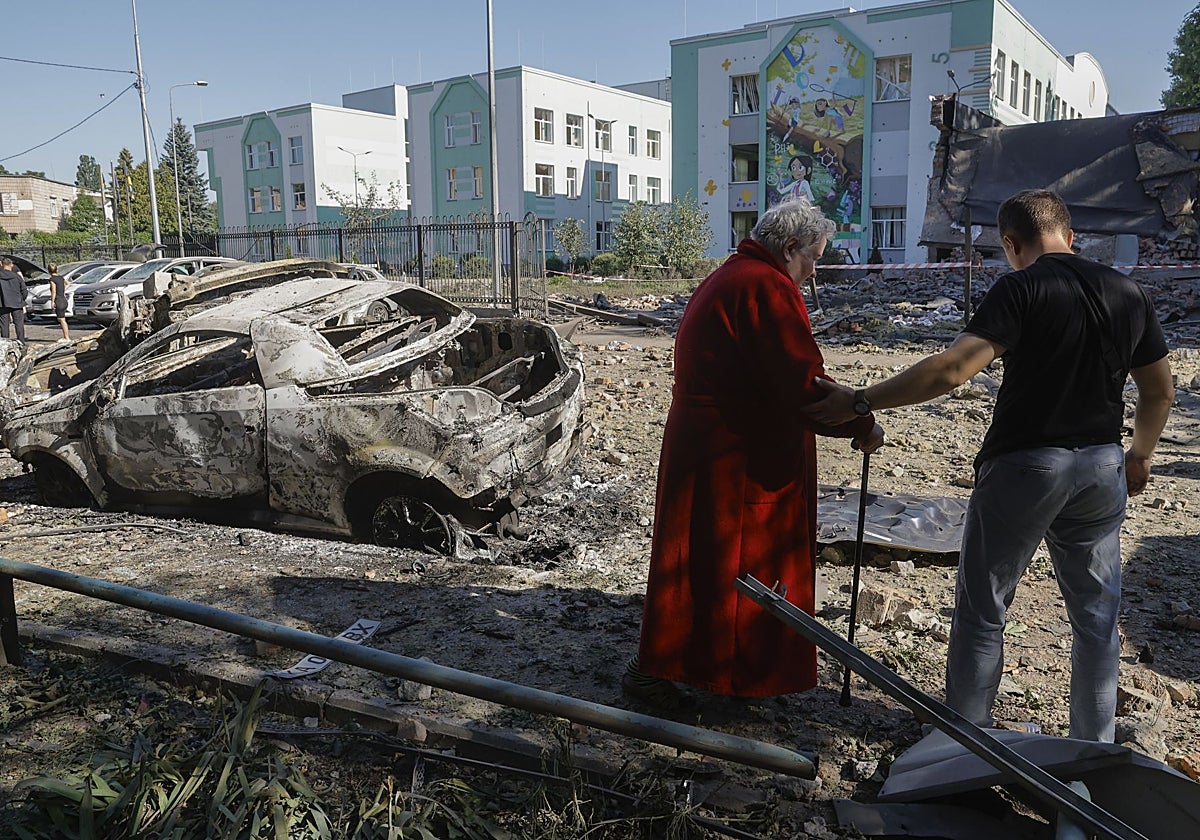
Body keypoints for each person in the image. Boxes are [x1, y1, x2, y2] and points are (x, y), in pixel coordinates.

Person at [803, 189, 1173, 742]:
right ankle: (1092, 751)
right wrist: (1139, 455)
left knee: (985, 609)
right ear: (1070, 236)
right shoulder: (1127, 290)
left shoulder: (1021, 287)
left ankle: (967, 746)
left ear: (1010, 244)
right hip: (1101, 466)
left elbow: (953, 370)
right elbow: (1159, 390)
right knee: (1097, 620)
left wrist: (861, 400)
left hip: (1027, 465)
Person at [624, 197, 884, 706]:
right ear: (789, 249)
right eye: (813, 258)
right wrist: (863, 422)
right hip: (737, 454)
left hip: (712, 443)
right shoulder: (767, 287)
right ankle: (699, 672)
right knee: (737, 559)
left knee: (703, 560)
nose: (813, 272)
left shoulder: (734, 275)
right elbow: (800, 383)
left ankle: (685, 667)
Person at [0, 257, 28, 342]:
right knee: (19, 324)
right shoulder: (17, 277)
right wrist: (21, 299)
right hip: (17, 302)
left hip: (3, 303)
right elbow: (24, 290)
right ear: (11, 265)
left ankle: (5, 343)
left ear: (2, 265)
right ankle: (21, 342)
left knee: (4, 325)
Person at [47, 263, 69, 341]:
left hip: (59, 300)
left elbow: (53, 291)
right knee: (62, 319)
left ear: (49, 271)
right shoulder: (61, 278)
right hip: (63, 299)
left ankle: (66, 337)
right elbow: (68, 283)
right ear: (57, 269)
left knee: (62, 319)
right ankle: (66, 336)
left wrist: (52, 301)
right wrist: (63, 290)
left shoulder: (52, 279)